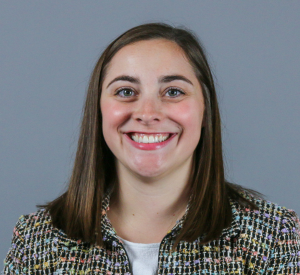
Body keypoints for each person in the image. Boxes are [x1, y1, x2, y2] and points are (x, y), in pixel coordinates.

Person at [3, 23, 300, 275]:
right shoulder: (36, 239)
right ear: (99, 110)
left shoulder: (274, 236)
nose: (147, 113)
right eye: (126, 92)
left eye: (173, 91)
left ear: (205, 110)